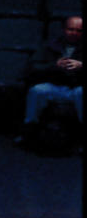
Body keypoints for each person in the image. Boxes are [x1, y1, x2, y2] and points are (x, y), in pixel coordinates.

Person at [18, 15, 82, 148]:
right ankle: (29, 131)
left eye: (78, 30)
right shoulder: (50, 45)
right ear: (64, 29)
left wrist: (82, 66)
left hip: (78, 86)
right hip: (55, 85)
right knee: (37, 91)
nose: (74, 33)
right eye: (71, 29)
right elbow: (33, 67)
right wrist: (55, 65)